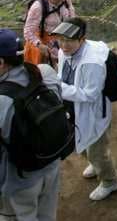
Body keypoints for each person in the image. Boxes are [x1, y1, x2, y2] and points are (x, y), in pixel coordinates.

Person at [53, 17, 117, 201]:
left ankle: (111, 181)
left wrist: (59, 88)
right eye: (60, 39)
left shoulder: (92, 62)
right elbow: (62, 74)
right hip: (73, 107)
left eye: (69, 40)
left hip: (93, 112)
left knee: (97, 149)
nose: (63, 45)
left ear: (82, 39)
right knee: (80, 142)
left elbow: (90, 95)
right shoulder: (64, 52)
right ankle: (96, 163)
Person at [0, 30, 62, 221]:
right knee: (47, 214)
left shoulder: (3, 99)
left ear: (1, 63)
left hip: (22, 178)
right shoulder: (44, 73)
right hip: (51, 163)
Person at [23, 0, 76, 66]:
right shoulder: (38, 7)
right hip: (41, 41)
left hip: (59, 40)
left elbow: (72, 20)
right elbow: (28, 31)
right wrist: (40, 45)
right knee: (41, 72)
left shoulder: (66, 2)